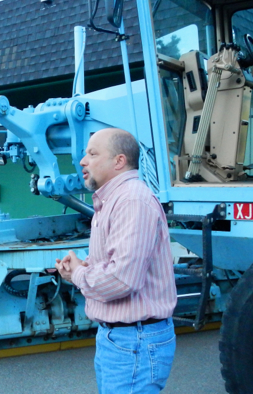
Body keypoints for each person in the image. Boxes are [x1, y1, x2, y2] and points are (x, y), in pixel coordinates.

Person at [55, 127, 177, 393]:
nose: (82, 161)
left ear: (119, 161)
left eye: (92, 153)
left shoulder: (131, 201)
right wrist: (83, 268)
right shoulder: (114, 200)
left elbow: (122, 279)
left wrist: (78, 275)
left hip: (133, 341)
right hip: (122, 338)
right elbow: (119, 266)